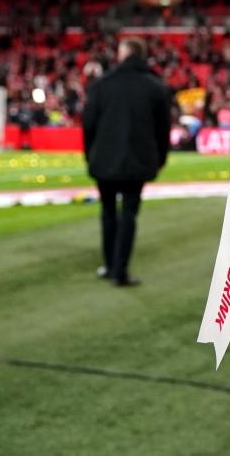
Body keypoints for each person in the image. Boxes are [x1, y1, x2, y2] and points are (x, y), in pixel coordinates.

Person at [81, 36, 171, 287]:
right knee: (129, 213)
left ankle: (109, 265)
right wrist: (160, 158)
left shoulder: (102, 85)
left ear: (122, 55)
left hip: (104, 160)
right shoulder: (155, 87)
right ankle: (120, 271)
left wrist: (90, 155)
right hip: (138, 161)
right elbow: (163, 129)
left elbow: (88, 124)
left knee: (108, 211)